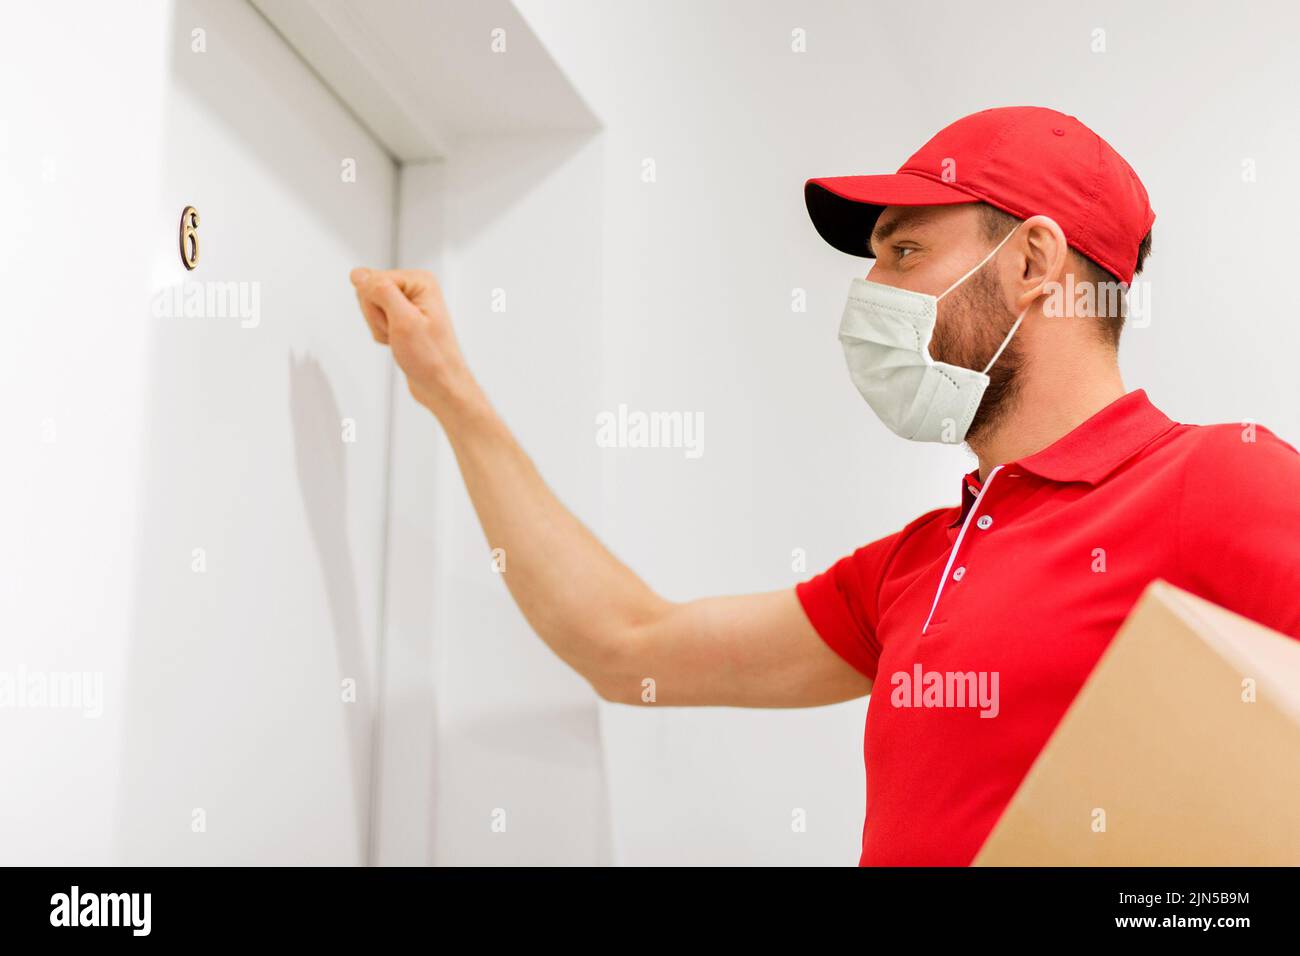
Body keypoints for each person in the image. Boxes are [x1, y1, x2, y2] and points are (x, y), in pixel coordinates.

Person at [349, 106, 1300, 866]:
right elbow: (626, 645)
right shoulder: (920, 563)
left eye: (904, 252)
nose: (873, 291)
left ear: (1033, 264)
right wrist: (451, 394)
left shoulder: (1218, 478)